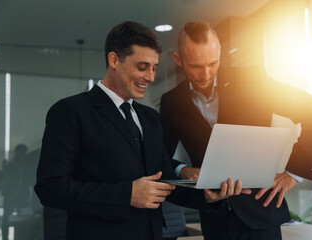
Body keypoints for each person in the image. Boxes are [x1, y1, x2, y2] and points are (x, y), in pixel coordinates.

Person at [35, 21, 248, 240]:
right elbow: (50, 188)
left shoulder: (150, 118)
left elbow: (165, 179)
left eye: (154, 68)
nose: (151, 77)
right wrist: (127, 195)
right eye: (142, 67)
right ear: (114, 60)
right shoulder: (71, 112)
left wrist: (207, 195)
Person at [159, 21, 312, 240]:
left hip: (261, 215)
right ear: (178, 60)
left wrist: (293, 173)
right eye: (195, 66)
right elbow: (159, 157)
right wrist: (183, 169)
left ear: (220, 52)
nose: (206, 74)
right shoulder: (171, 102)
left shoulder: (252, 81)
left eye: (213, 63)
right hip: (215, 220)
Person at [1, 143, 28, 240]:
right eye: (21, 153)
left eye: (24, 153)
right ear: (16, 153)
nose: (22, 155)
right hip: (10, 195)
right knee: (7, 219)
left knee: (21, 220)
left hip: (21, 196)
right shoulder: (10, 165)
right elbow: (5, 181)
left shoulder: (25, 165)